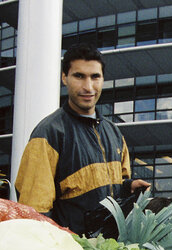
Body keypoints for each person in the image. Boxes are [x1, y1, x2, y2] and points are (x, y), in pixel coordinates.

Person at [14, 42, 150, 235]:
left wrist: (128, 186)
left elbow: (117, 185)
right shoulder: (48, 133)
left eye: (95, 77)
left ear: (103, 79)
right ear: (64, 78)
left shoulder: (113, 132)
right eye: (79, 76)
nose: (88, 87)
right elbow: (35, 212)